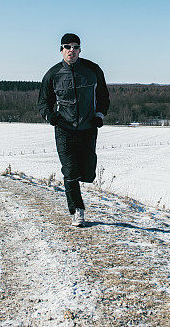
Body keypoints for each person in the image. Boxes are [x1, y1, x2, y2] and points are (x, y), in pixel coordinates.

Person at [37, 33, 110, 227]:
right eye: (67, 47)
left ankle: (81, 183)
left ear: (80, 50)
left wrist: (99, 115)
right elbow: (43, 103)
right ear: (61, 50)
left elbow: (103, 97)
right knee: (69, 171)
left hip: (87, 128)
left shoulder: (92, 70)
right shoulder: (53, 74)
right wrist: (50, 117)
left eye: (75, 47)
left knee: (87, 172)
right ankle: (77, 211)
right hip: (64, 129)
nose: (71, 50)